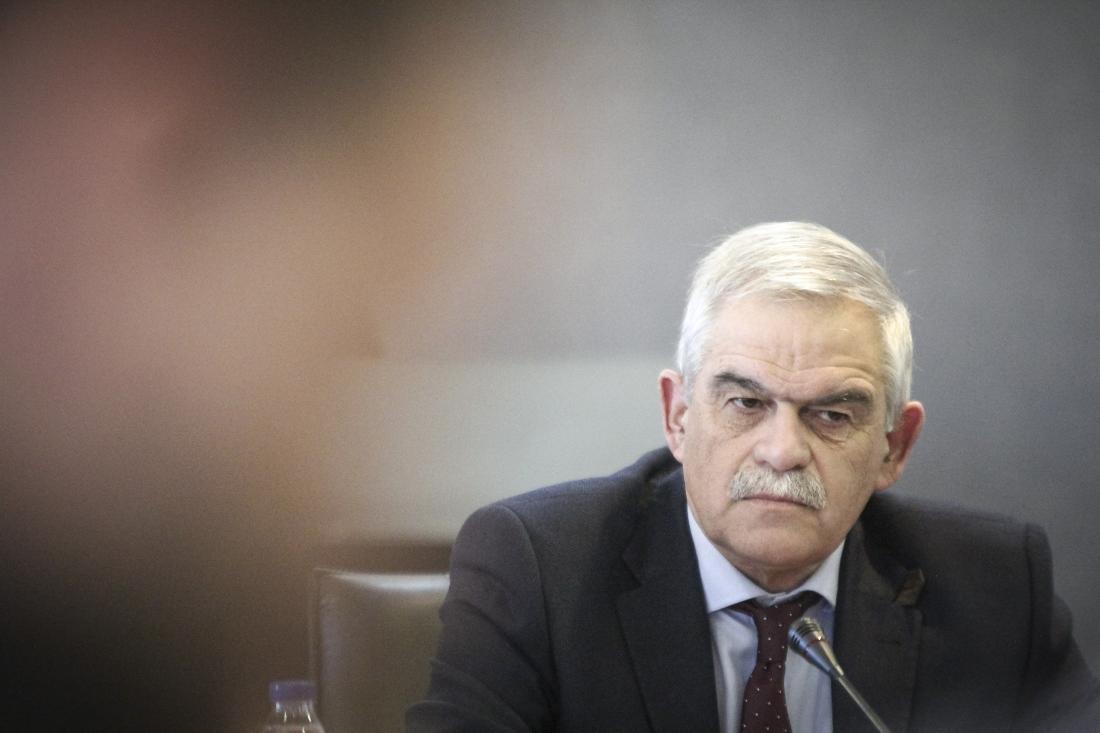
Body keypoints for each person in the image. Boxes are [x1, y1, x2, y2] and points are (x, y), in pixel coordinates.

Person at [406, 222, 1100, 732]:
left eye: (831, 414)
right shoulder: (537, 570)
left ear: (894, 446)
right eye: (745, 402)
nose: (782, 451)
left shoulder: (996, 586)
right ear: (678, 417)